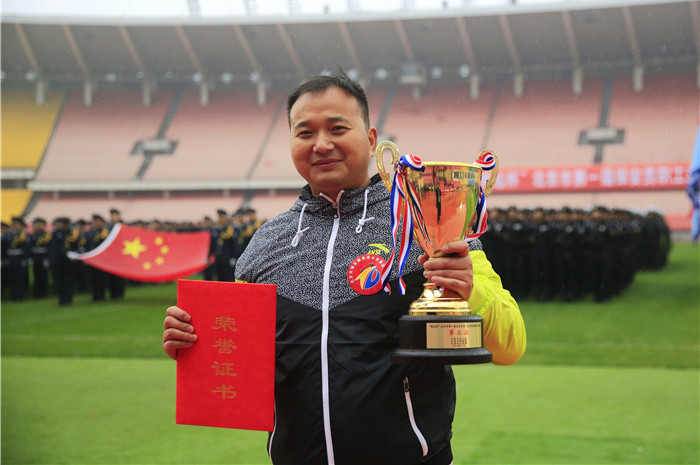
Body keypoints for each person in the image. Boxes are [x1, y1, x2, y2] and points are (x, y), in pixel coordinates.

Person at [163, 70, 526, 465]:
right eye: (305, 132)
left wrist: (471, 291)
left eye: (337, 128)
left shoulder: (428, 225)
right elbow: (243, 364)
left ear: (371, 140)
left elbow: (510, 346)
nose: (321, 144)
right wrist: (194, 343)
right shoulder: (265, 244)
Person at [29, 217, 52, 298]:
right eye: (36, 225)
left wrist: (48, 258)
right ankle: (37, 292)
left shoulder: (47, 235)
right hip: (35, 257)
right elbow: (29, 248)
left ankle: (44, 292)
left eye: (40, 225)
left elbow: (50, 248)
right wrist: (30, 258)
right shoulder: (31, 236)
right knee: (36, 275)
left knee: (44, 276)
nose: (38, 227)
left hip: (44, 256)